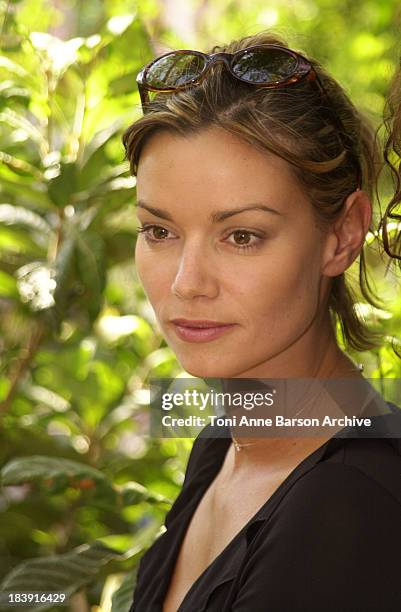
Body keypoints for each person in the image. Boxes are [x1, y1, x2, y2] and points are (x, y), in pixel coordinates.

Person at [122, 31, 401, 611]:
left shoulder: (349, 507)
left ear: (344, 234)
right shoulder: (229, 437)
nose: (186, 283)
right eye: (160, 231)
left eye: (242, 236)